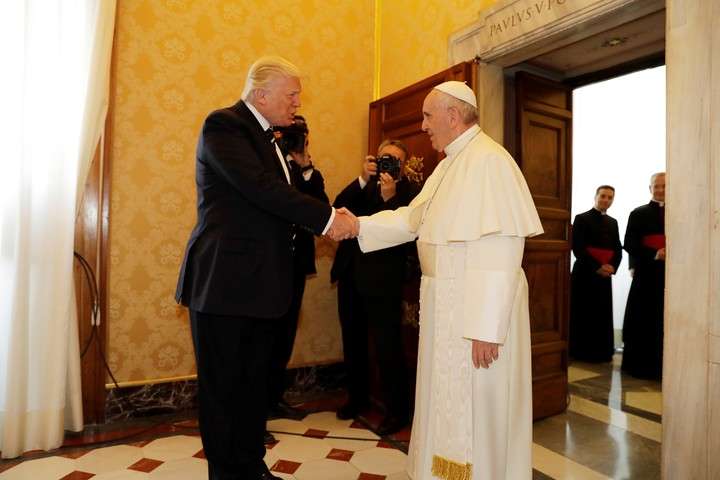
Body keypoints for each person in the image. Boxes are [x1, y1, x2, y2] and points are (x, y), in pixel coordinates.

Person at [349, 81, 543, 480]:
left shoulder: (490, 161)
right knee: (444, 400)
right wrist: (355, 225)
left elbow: (503, 244)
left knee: (480, 407)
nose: (423, 126)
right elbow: (409, 220)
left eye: (427, 116)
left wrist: (487, 328)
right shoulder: (450, 163)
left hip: (476, 315)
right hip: (447, 304)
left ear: (452, 116)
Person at [174, 56, 356, 480]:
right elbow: (261, 190)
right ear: (261, 94)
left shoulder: (273, 139)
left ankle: (251, 468)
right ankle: (227, 474)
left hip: (262, 286)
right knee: (224, 391)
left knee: (254, 387)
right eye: (291, 94)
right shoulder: (225, 125)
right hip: (224, 282)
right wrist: (329, 221)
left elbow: (283, 201)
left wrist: (330, 212)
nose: (297, 102)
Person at [330, 139, 421, 436]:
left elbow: (403, 230)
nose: (387, 164)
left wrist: (390, 196)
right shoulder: (364, 186)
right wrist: (362, 178)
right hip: (351, 276)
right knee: (353, 342)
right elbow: (336, 208)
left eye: (394, 160)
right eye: (383, 158)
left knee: (387, 346)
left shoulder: (409, 192)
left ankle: (398, 411)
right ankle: (356, 399)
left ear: (404, 166)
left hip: (383, 281)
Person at [266, 115, 329, 428]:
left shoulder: (308, 174)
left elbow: (320, 211)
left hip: (295, 266)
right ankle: (254, 411)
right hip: (267, 266)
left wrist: (305, 169)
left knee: (285, 335)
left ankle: (274, 398)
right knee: (262, 340)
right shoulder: (266, 163)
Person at [569, 185, 623, 363]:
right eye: (603, 196)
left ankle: (601, 352)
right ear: (596, 196)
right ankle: (581, 352)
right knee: (583, 314)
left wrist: (612, 266)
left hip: (604, 276)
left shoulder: (613, 222)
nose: (606, 200)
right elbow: (578, 248)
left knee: (601, 314)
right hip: (585, 274)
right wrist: (597, 267)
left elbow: (617, 248)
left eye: (610, 197)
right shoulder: (582, 218)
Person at [622, 172, 666, 380]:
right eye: (656, 186)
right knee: (642, 320)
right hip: (646, 276)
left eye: (664, 186)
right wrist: (655, 253)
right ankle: (640, 367)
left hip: (671, 277)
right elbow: (629, 243)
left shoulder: (680, 213)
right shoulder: (638, 213)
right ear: (650, 188)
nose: (660, 190)